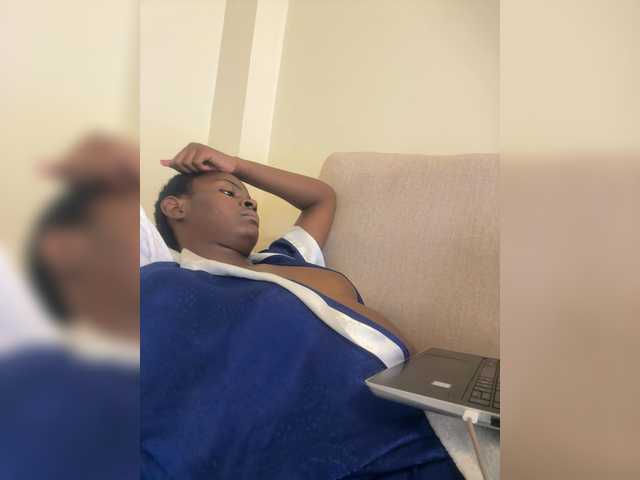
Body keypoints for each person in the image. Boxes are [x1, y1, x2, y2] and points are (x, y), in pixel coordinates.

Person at [141, 143, 463, 479]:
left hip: (424, 410)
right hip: (345, 442)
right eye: (228, 192)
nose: (250, 202)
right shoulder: (164, 280)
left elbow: (321, 198)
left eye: (249, 198)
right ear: (175, 207)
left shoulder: (282, 258)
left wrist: (235, 166)